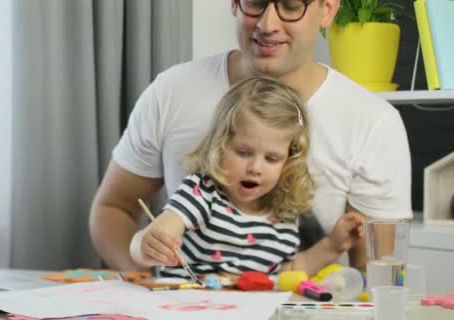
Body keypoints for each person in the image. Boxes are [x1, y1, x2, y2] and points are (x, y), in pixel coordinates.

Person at [89, 0, 412, 272]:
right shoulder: (172, 91)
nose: (268, 23)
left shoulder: (374, 121)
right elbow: (113, 208)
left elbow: (380, 272)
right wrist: (149, 283)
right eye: (256, 2)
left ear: (327, 10)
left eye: (290, 6)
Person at [128, 76, 364, 278]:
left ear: (289, 161)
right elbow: (163, 229)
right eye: (243, 152)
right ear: (220, 146)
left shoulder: (285, 215)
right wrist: (148, 245)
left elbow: (290, 271)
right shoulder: (201, 193)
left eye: (271, 158)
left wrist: (333, 245)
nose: (255, 168)